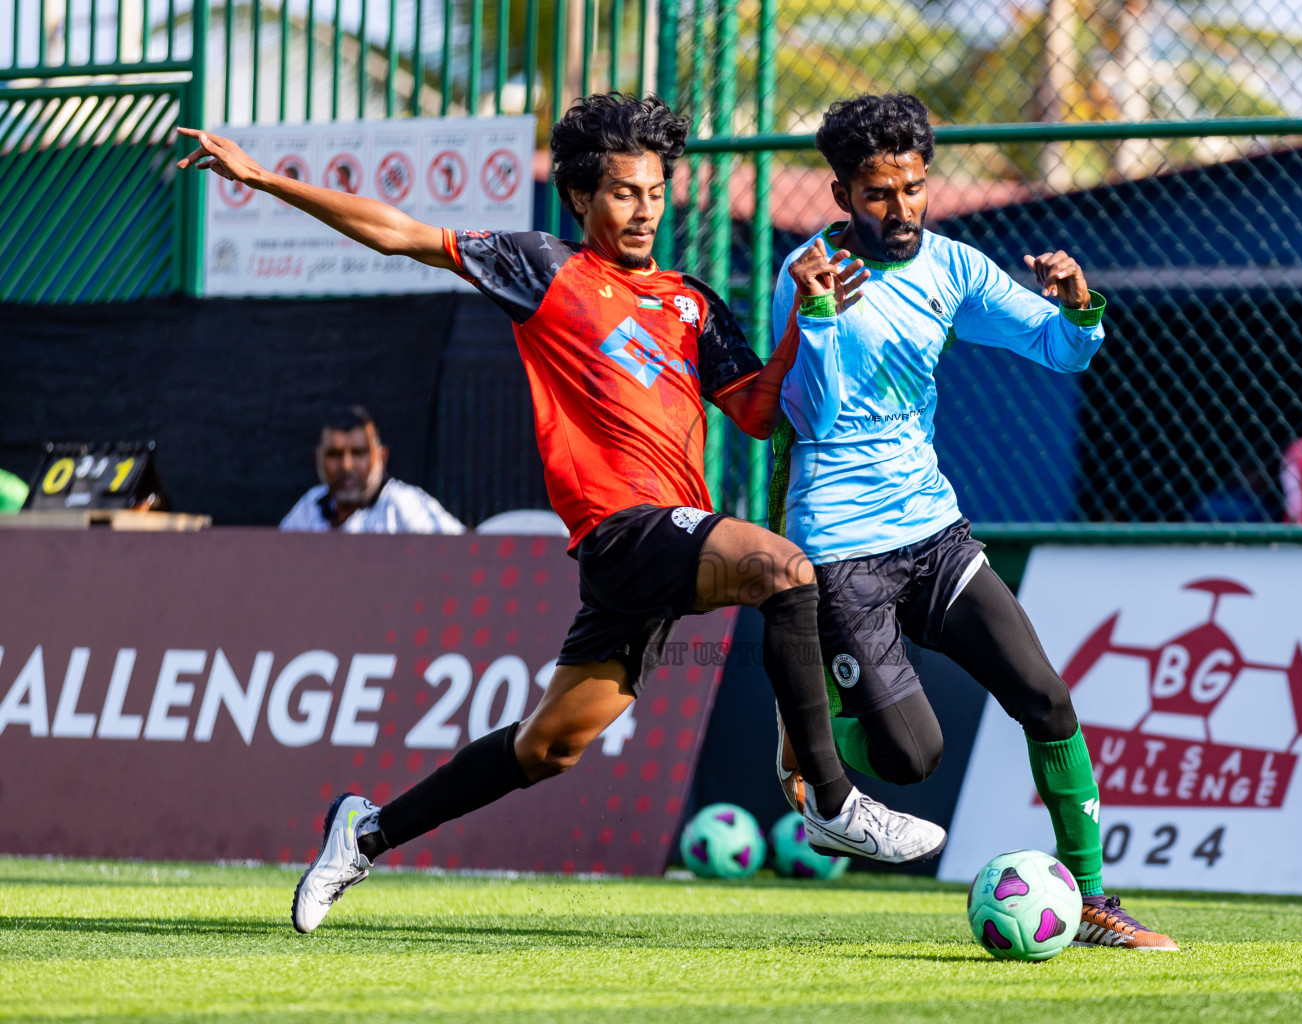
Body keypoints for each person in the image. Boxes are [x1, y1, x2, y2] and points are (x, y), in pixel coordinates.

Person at [175, 92, 946, 935]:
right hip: (622, 531)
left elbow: (759, 414)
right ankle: (829, 799)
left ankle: (362, 834)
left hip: (667, 543)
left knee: (548, 747)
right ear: (581, 198)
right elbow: (399, 230)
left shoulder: (692, 303)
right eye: (623, 192)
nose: (644, 208)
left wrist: (808, 312)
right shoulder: (544, 267)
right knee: (786, 570)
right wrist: (262, 179)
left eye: (654, 191)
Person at [768, 93, 1176, 949]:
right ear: (842, 196)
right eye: (879, 193)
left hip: (935, 534)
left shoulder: (952, 266)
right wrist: (819, 319)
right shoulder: (804, 275)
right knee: (913, 759)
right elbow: (810, 413)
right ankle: (813, 733)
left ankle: (1095, 898)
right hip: (842, 548)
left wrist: (1076, 303)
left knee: (1048, 698)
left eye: (915, 187)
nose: (903, 208)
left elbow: (1062, 351)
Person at [279, 405, 465, 534]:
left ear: (381, 457)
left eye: (359, 453)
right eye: (335, 454)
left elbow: (458, 554)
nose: (347, 466)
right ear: (318, 460)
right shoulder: (311, 505)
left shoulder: (403, 504)